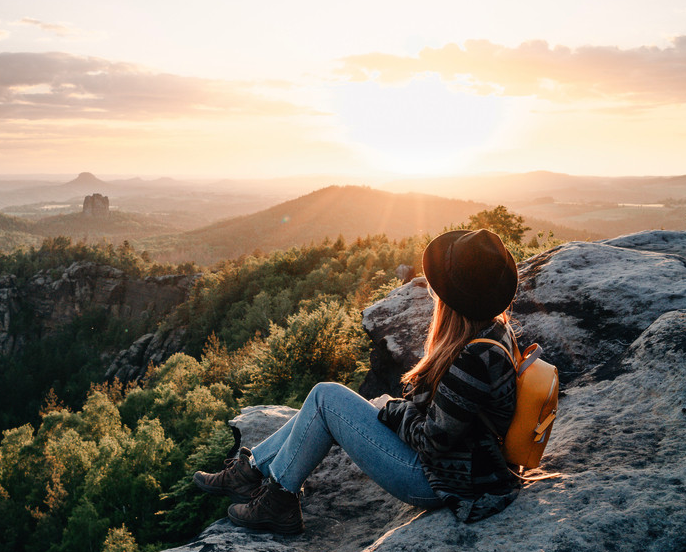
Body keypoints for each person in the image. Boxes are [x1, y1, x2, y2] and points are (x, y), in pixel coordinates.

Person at [193, 228, 522, 533]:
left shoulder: (474, 360)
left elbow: (433, 442)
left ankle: (276, 501)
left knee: (326, 399)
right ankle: (250, 474)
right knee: (326, 399)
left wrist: (393, 410)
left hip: (438, 480)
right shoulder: (494, 332)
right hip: (461, 468)